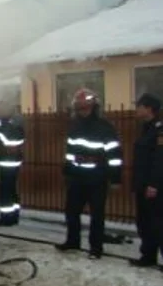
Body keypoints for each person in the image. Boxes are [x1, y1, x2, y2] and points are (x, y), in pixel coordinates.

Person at [55, 88, 123, 259]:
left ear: (94, 107)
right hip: (77, 177)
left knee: (97, 215)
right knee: (71, 212)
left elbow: (114, 155)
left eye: (85, 108)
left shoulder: (105, 127)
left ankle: (96, 248)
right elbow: (70, 151)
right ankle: (72, 241)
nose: (82, 112)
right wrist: (68, 169)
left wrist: (115, 177)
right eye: (79, 108)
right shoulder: (75, 127)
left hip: (97, 177)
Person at [129, 93, 163, 268]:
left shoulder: (159, 130)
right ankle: (148, 256)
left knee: (158, 223)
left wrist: (154, 185)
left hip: (153, 187)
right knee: (144, 222)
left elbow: (160, 159)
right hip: (143, 185)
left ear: (149, 109)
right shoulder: (147, 128)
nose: (137, 109)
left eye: (139, 106)